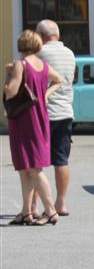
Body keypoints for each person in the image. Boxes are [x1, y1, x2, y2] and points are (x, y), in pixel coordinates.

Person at [4, 30, 63, 225]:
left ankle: (51, 211)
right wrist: (45, 94)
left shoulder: (21, 64)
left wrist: (9, 75)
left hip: (23, 120)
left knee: (34, 169)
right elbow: (59, 80)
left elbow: (10, 92)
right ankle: (26, 211)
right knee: (25, 168)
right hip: (39, 119)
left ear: (21, 45)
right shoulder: (43, 65)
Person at [33, 20, 76, 217]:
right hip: (65, 113)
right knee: (61, 160)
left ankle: (32, 205)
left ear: (42, 36)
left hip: (44, 113)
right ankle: (61, 203)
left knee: (35, 162)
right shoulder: (70, 54)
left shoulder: (39, 54)